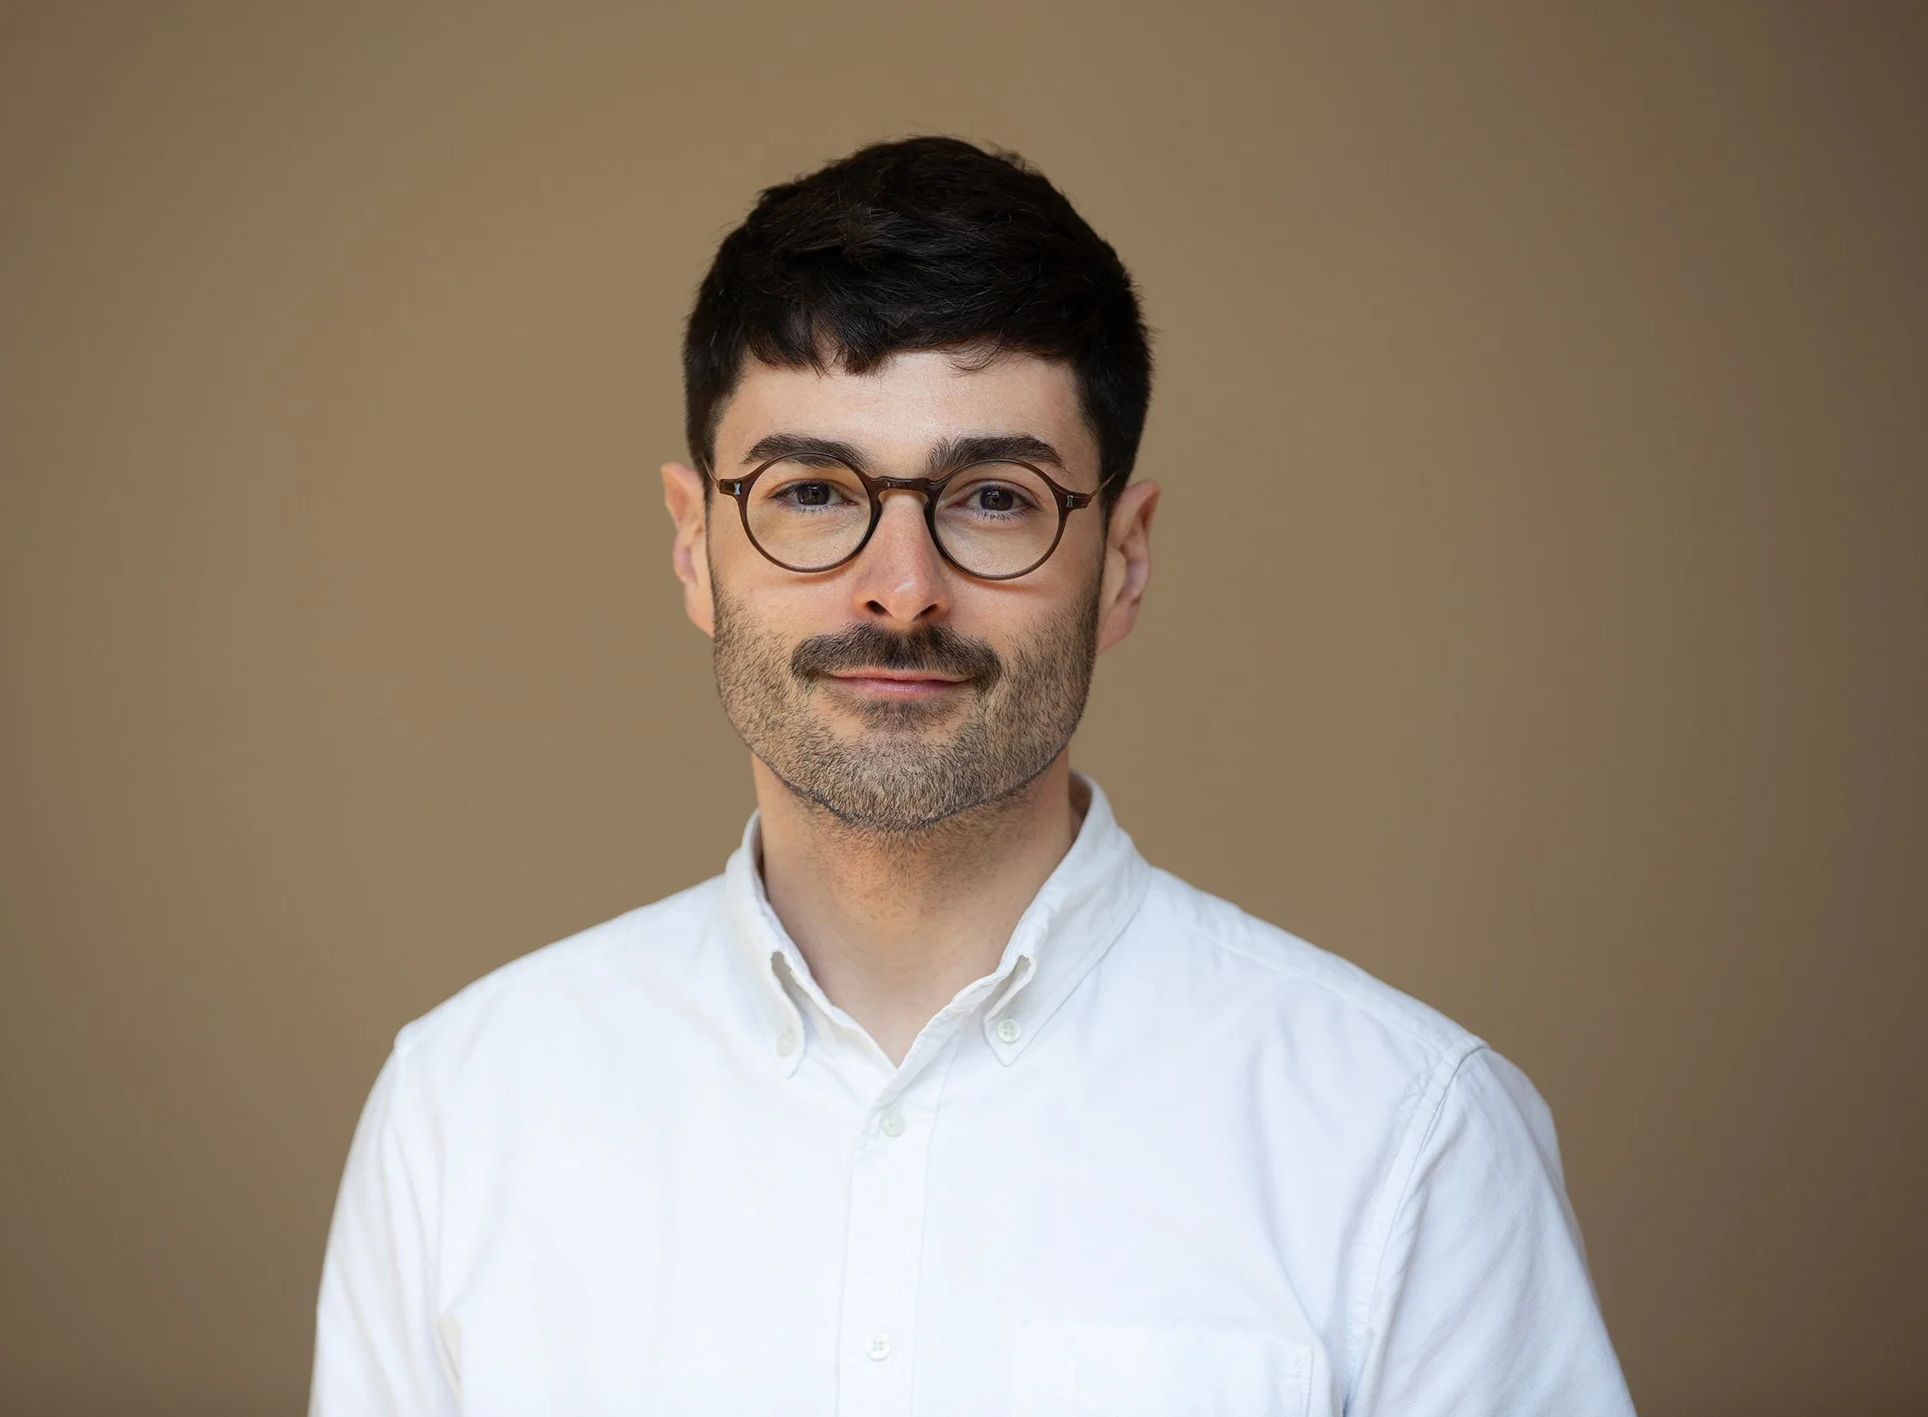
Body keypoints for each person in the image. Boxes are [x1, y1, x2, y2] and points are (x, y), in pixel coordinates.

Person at [309, 136, 1635, 1416]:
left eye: (994, 497)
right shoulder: (464, 1111)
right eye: (812, 492)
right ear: (691, 546)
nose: (900, 590)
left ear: (1121, 556)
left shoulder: (1404, 1137)